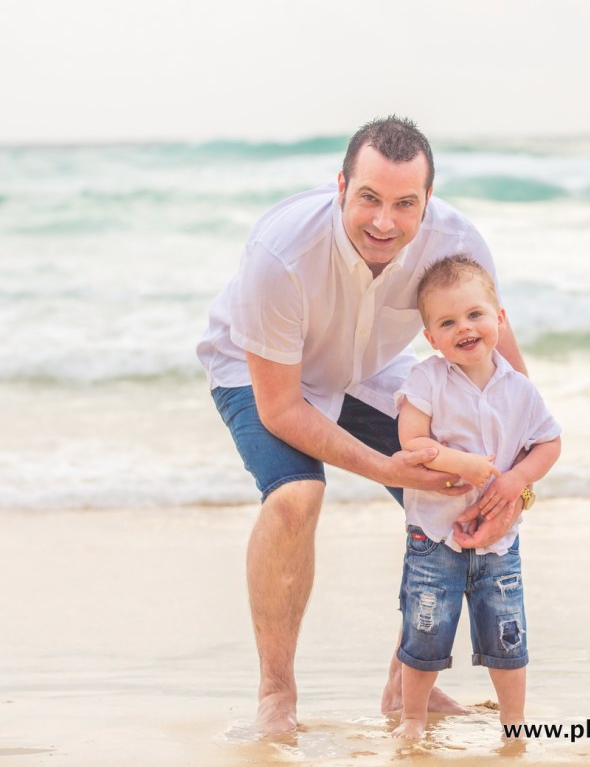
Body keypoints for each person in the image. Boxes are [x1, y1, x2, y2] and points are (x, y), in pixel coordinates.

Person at [196, 116, 531, 735]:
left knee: (464, 487)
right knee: (297, 497)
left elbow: (497, 364)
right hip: (262, 373)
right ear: (341, 185)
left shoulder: (456, 241)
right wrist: (386, 468)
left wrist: (513, 480)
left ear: (427, 201)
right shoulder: (281, 252)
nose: (384, 221)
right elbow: (282, 409)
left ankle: (407, 686)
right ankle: (277, 696)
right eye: (369, 199)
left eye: (405, 204)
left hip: (371, 372)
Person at [390, 254, 562, 740]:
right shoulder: (426, 380)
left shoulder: (519, 389)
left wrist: (515, 480)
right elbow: (413, 443)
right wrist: (461, 463)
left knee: (507, 635)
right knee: (424, 631)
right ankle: (413, 719)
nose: (464, 328)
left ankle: (513, 723)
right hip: (433, 537)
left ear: (499, 319)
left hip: (499, 545)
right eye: (447, 322)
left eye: (475, 315)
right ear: (431, 338)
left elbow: (549, 442)